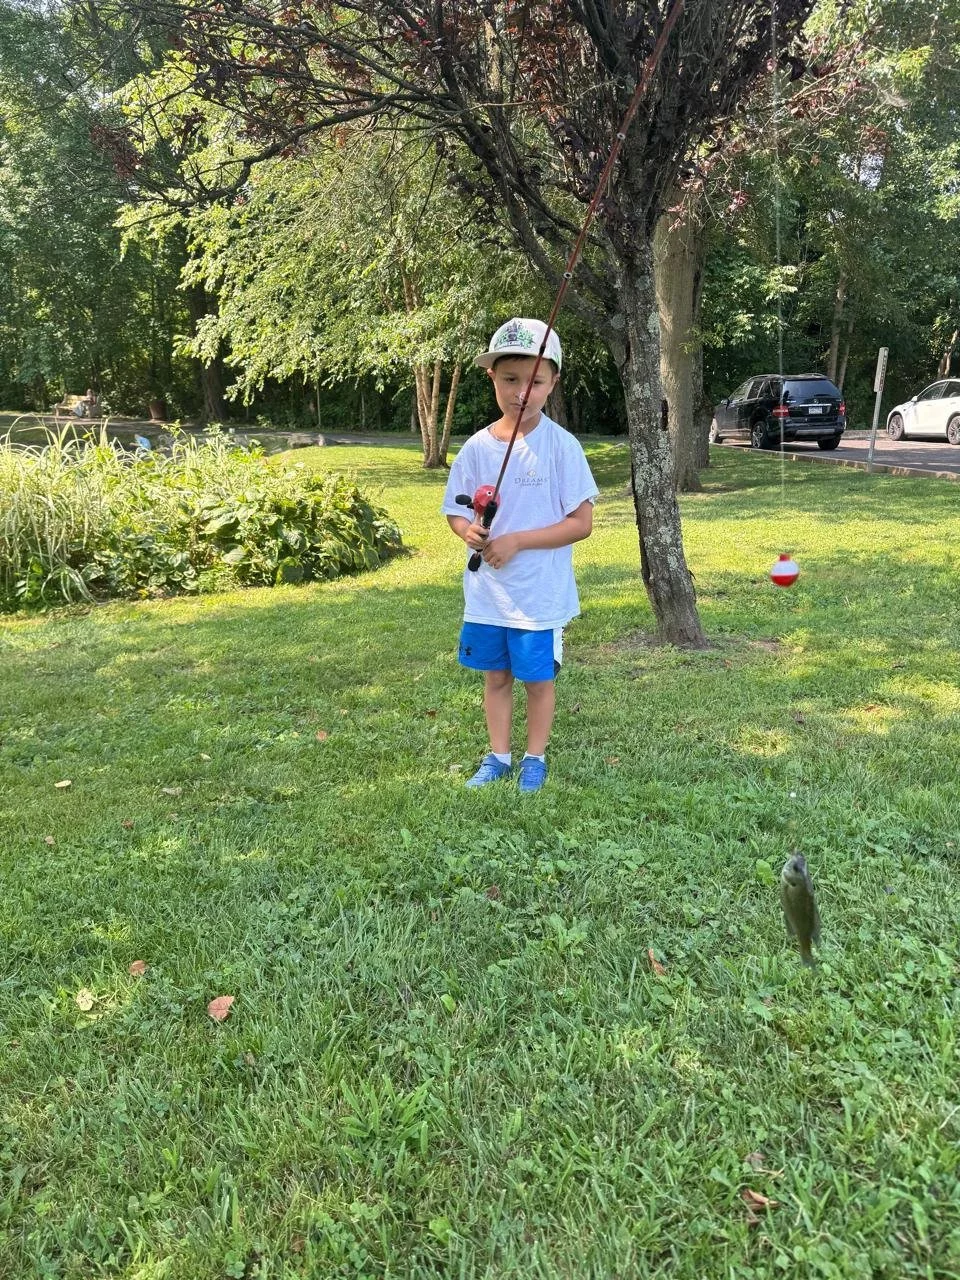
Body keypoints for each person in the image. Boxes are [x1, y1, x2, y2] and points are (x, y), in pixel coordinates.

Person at [441, 318, 598, 792]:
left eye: (535, 381)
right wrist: (468, 530)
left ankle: (535, 757)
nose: (522, 393)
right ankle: (498, 756)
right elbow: (454, 510)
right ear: (492, 378)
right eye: (511, 380)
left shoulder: (561, 447)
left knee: (538, 681)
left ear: (553, 384)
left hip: (538, 597)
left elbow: (581, 523)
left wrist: (517, 540)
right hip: (489, 596)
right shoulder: (475, 447)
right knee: (495, 678)